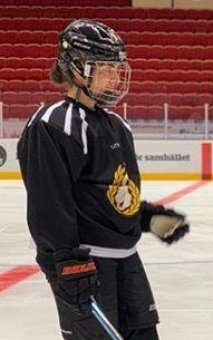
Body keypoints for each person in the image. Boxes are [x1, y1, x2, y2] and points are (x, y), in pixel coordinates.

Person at [17, 19, 190, 339]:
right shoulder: (52, 124)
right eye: (106, 68)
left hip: (126, 260)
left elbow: (109, 193)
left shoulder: (117, 126)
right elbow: (49, 207)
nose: (115, 76)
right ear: (77, 69)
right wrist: (67, 264)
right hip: (84, 264)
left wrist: (145, 218)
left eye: (116, 67)